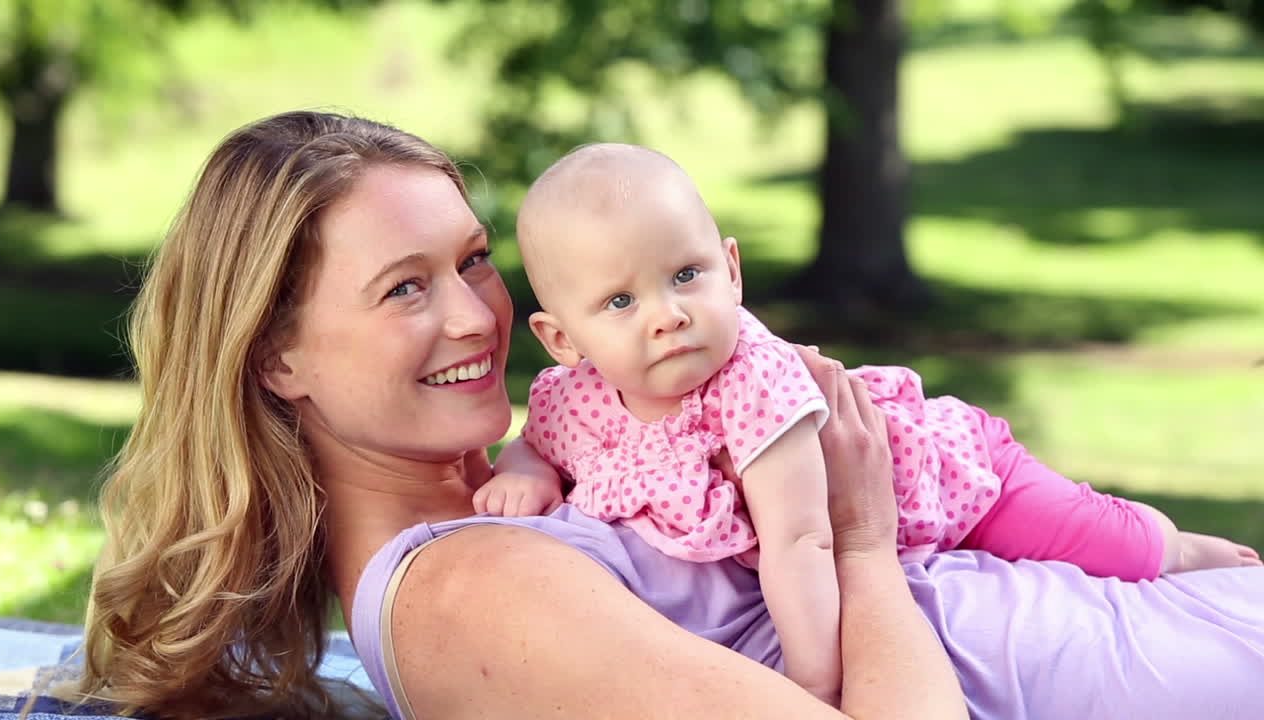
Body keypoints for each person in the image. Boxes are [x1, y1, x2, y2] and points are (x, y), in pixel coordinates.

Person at [72, 111, 1264, 720]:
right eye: (403, 289)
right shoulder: (457, 588)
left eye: (474, 259)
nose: (477, 316)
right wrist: (856, 535)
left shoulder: (546, 477)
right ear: (276, 358)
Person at [473, 143, 1259, 701]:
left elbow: (801, 541)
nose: (668, 314)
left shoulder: (754, 386)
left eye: (687, 274)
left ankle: (1191, 549)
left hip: (954, 476)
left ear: (732, 271)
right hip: (886, 512)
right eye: (621, 300)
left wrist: (815, 681)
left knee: (1106, 541)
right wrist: (524, 472)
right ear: (562, 340)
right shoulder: (569, 398)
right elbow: (541, 440)